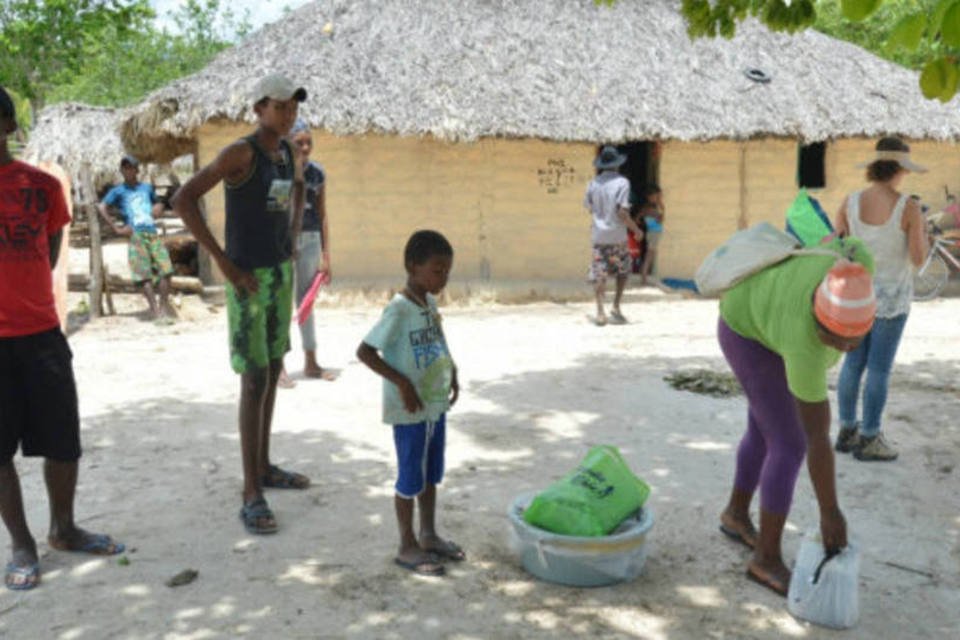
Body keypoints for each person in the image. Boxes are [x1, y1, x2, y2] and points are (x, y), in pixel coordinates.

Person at [172, 74, 310, 535]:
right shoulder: (241, 153)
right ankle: (251, 492)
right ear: (258, 109)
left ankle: (266, 467)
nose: (287, 113)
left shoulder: (287, 152)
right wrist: (225, 265)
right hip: (247, 279)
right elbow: (183, 198)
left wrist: (290, 240)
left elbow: (296, 192)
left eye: (292, 106)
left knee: (272, 368)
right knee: (253, 379)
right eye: (279, 106)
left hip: (278, 274)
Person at [0, 86, 124, 591]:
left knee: (63, 443)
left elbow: (49, 251)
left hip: (42, 333)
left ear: (8, 125)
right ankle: (22, 544)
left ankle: (64, 528)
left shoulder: (42, 186)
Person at [716, 233, 876, 597]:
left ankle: (735, 515)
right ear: (819, 318)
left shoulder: (856, 268)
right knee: (787, 443)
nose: (844, 349)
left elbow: (844, 239)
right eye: (834, 339)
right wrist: (830, 511)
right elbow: (816, 438)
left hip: (767, 310)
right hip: (745, 330)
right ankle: (765, 559)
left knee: (763, 427)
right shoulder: (804, 342)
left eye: (854, 341)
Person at [356, 230, 462, 576]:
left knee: (430, 474)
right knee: (409, 478)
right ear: (413, 267)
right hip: (410, 412)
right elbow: (365, 352)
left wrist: (453, 370)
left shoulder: (428, 303)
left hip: (434, 408)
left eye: (447, 271)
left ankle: (428, 535)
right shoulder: (399, 310)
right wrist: (402, 382)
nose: (443, 278)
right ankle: (406, 545)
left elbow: (438, 340)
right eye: (436, 270)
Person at [833, 138, 928, 462]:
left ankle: (847, 430)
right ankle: (870, 436)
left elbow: (840, 244)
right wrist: (923, 230)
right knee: (879, 370)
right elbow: (918, 258)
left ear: (874, 167)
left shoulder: (850, 202)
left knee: (853, 363)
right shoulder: (908, 207)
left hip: (856, 297)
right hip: (892, 299)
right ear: (900, 168)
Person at [277, 119, 335, 388]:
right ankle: (279, 366)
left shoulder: (317, 174)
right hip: (283, 243)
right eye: (298, 142)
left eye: (308, 141)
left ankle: (311, 361)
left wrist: (326, 255)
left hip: (311, 240)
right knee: (281, 303)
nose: (305, 147)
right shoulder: (279, 173)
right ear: (287, 143)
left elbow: (322, 215)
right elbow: (274, 212)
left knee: (306, 302)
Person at [97, 155, 175, 322]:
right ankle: (155, 312)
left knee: (166, 270)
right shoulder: (118, 191)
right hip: (136, 235)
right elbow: (102, 206)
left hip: (152, 232)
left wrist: (159, 207)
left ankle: (163, 308)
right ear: (122, 170)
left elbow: (159, 204)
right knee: (142, 274)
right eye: (125, 168)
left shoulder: (146, 188)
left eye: (131, 167)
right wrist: (116, 228)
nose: (128, 170)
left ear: (137, 170)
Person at [583, 145, 645, 325]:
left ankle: (600, 312)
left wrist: (600, 218)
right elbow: (622, 213)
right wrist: (636, 230)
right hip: (617, 236)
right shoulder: (622, 183)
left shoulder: (593, 183)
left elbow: (589, 207)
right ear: (618, 164)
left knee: (599, 273)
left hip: (598, 235)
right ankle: (616, 307)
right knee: (622, 271)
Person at [638, 184, 665, 286]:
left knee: (650, 255)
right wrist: (662, 208)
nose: (659, 198)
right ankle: (643, 279)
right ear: (650, 197)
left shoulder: (647, 208)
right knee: (649, 256)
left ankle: (643, 276)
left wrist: (643, 222)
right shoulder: (652, 209)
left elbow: (638, 218)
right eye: (657, 196)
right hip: (654, 233)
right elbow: (661, 220)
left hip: (651, 233)